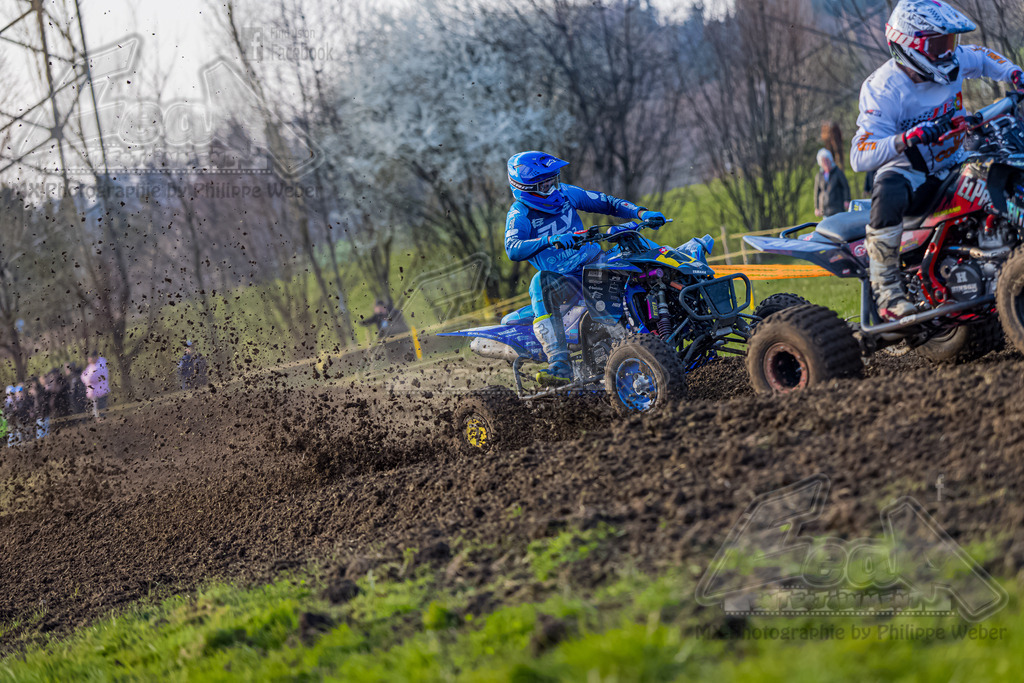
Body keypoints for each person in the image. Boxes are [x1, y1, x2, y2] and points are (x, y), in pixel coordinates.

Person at [850, 0, 1024, 320]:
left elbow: (983, 57)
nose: (948, 52)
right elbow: (859, 156)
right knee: (887, 188)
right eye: (938, 44)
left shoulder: (953, 59)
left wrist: (1014, 73)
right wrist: (906, 139)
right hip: (911, 174)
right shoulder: (882, 89)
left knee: (1008, 161)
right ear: (910, 45)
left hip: (957, 158)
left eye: (950, 41)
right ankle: (887, 290)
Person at [504, 151, 666, 385]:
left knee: (638, 249)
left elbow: (607, 202)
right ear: (525, 187)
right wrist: (549, 241)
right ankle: (559, 363)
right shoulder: (520, 214)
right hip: (565, 280)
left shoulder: (566, 193)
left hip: (596, 262)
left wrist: (641, 213)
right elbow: (513, 248)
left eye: (553, 179)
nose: (551, 186)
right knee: (539, 281)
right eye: (544, 183)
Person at [813, 149, 851, 218]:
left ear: (830, 160)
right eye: (823, 161)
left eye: (827, 160)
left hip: (837, 208)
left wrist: (847, 200)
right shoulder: (819, 176)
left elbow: (845, 187)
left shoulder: (838, 172)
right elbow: (817, 192)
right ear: (821, 163)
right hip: (825, 210)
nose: (826, 163)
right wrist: (817, 207)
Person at [80, 351, 110, 421]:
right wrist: (87, 378)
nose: (89, 360)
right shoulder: (90, 366)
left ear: (94, 357)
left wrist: (87, 378)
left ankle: (102, 421)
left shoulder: (101, 365)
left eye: (90, 358)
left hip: (101, 392)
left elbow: (92, 377)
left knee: (101, 408)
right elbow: (82, 376)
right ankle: (98, 420)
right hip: (93, 392)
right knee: (94, 409)